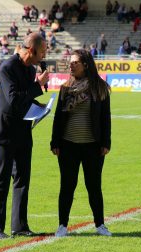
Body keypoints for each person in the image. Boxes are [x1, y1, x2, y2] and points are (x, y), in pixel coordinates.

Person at [0, 32, 49, 240]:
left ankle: (19, 226)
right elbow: (13, 100)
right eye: (43, 51)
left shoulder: (30, 69)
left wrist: (41, 108)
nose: (45, 55)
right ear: (31, 50)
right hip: (3, 131)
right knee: (1, 178)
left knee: (22, 178)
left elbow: (24, 101)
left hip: (22, 130)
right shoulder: (7, 68)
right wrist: (37, 86)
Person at [50, 49, 112, 238]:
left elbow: (105, 118)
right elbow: (58, 117)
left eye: (75, 62)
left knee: (94, 186)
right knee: (67, 186)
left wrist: (105, 142)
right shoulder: (66, 87)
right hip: (68, 145)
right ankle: (62, 225)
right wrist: (55, 141)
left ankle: (100, 224)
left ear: (86, 65)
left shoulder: (99, 87)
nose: (71, 65)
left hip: (93, 146)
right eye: (70, 62)